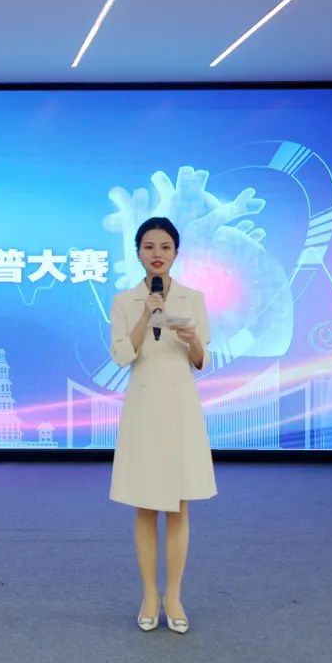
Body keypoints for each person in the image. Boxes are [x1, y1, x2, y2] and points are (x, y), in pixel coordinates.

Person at [108, 216, 216, 634]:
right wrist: (145, 315)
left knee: (179, 505)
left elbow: (202, 360)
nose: (157, 254)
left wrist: (192, 340)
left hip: (180, 407)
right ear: (138, 252)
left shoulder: (193, 298)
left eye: (165, 247)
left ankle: (174, 595)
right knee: (145, 504)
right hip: (144, 407)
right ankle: (149, 595)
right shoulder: (124, 301)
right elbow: (122, 356)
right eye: (149, 247)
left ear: (176, 253)